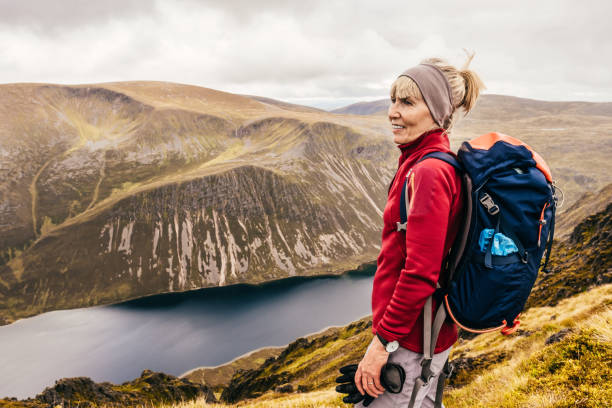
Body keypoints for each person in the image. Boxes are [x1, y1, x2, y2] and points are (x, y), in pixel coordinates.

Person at [354, 55, 485, 408]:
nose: (393, 112)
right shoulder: (421, 163)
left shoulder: (428, 173)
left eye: (407, 102)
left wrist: (382, 345)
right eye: (393, 100)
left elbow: (420, 274)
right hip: (420, 338)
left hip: (413, 343)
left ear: (438, 113)